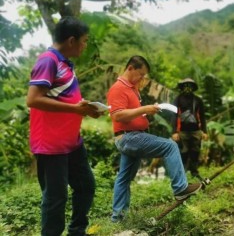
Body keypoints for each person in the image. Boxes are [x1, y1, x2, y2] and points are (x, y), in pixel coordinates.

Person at [26, 17, 101, 236]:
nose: (85, 45)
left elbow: (65, 98)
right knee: (55, 198)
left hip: (71, 142)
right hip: (51, 144)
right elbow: (33, 99)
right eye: (84, 41)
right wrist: (75, 110)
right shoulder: (48, 61)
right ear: (71, 40)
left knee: (86, 186)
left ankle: (77, 231)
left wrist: (86, 108)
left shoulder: (65, 64)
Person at [107, 56, 202, 222]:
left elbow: (131, 113)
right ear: (130, 68)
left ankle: (118, 217)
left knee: (124, 177)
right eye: (141, 74)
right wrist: (144, 108)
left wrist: (146, 112)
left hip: (130, 137)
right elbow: (117, 115)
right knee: (170, 146)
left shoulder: (132, 89)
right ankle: (180, 188)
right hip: (130, 137)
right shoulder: (118, 88)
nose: (143, 79)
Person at [171, 78, 208, 180]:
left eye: (190, 86)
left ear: (193, 88)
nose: (188, 88)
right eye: (185, 85)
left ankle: (194, 172)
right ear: (182, 87)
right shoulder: (177, 99)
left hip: (196, 131)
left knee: (195, 151)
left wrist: (204, 131)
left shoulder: (198, 100)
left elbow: (202, 116)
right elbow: (174, 116)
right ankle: (182, 172)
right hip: (182, 131)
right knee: (183, 152)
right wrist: (174, 132)